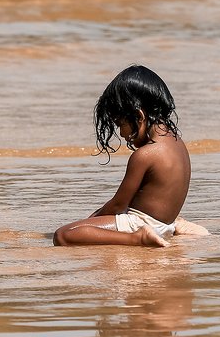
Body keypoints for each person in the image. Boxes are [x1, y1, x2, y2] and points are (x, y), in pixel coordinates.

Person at [53, 65, 207, 248]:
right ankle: (174, 227)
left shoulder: (145, 154)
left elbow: (118, 206)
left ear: (139, 116)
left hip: (141, 225)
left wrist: (87, 224)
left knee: (63, 235)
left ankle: (138, 238)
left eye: (120, 124)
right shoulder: (178, 144)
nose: (122, 133)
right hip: (164, 224)